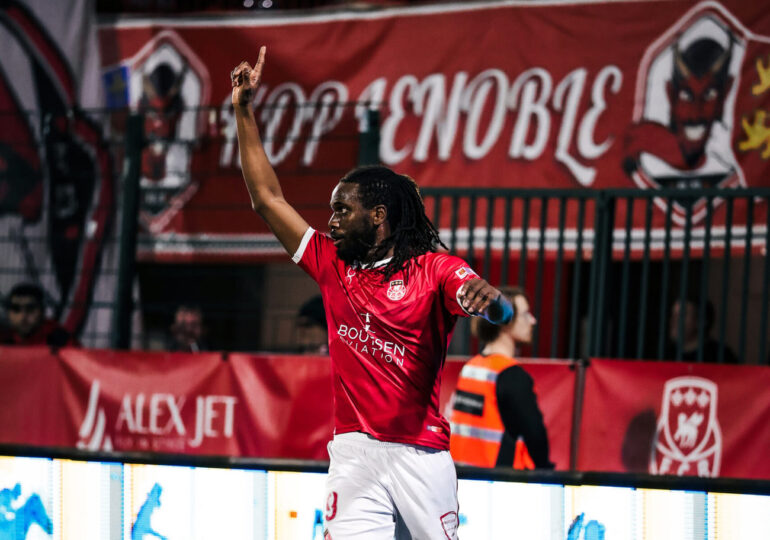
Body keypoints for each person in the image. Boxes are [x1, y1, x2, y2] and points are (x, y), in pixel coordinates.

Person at [232, 48, 513, 540]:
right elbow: (267, 199)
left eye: (343, 211)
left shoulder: (434, 269)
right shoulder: (330, 264)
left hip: (419, 456)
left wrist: (489, 300)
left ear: (378, 215)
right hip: (354, 453)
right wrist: (243, 112)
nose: (331, 221)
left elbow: (479, 294)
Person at [449, 287, 554, 469]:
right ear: (505, 320)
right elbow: (535, 436)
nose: (533, 321)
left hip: (460, 474)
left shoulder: (471, 367)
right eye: (525, 314)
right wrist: (545, 470)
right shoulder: (511, 375)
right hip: (496, 480)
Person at [0, 283, 77, 347]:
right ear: (8, 313)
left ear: (42, 312)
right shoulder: (5, 340)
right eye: (16, 309)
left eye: (30, 309)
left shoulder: (60, 341)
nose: (23, 316)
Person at [666, 296, 738, 363]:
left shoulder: (721, 356)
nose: (673, 320)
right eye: (673, 315)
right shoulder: (665, 355)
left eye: (681, 315)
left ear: (701, 321)